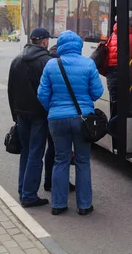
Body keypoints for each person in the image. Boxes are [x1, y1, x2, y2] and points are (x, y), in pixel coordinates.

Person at [38, 30, 104, 216]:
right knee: (83, 161)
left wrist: (53, 108)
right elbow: (97, 92)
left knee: (61, 159)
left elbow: (42, 94)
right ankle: (84, 205)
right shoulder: (88, 64)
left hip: (57, 119)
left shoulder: (51, 65)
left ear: (60, 46)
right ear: (78, 46)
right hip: (82, 119)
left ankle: (58, 204)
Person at [7, 27, 53, 208]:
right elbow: (48, 92)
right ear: (44, 41)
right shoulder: (46, 62)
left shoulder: (17, 60)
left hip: (21, 114)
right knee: (36, 153)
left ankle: (23, 190)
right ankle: (29, 196)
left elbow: (10, 90)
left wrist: (15, 116)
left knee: (26, 152)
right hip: (39, 115)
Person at [44, 43, 75, 193]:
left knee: (52, 149)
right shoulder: (59, 62)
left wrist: (48, 107)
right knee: (62, 153)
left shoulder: (48, 62)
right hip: (61, 114)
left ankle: (49, 182)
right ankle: (59, 184)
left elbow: (43, 93)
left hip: (52, 114)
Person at [106, 11, 132, 119]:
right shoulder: (131, 37)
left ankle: (114, 130)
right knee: (125, 104)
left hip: (111, 74)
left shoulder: (113, 34)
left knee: (115, 104)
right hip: (123, 73)